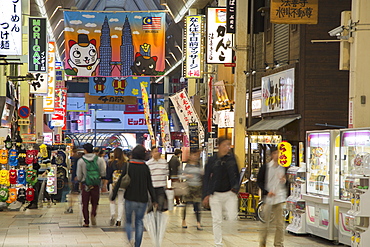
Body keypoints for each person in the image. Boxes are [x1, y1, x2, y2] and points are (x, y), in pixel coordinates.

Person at [202, 136, 240, 247]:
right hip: (215, 194)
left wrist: (236, 188)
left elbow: (237, 175)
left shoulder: (232, 159)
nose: (227, 147)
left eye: (229, 145)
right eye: (225, 145)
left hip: (229, 193)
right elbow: (206, 177)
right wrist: (206, 194)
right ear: (218, 146)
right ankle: (218, 243)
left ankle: (227, 238)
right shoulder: (212, 160)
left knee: (232, 217)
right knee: (216, 220)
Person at [123, 145, 157, 247]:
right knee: (139, 222)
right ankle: (137, 245)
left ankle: (130, 239)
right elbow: (149, 185)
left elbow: (121, 180)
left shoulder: (128, 166)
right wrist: (154, 199)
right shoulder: (145, 168)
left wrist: (113, 195)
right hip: (142, 199)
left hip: (129, 197)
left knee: (128, 221)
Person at [257, 146, 287, 247]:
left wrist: (284, 181)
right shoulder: (265, 168)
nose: (277, 156)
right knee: (265, 224)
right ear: (271, 155)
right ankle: (263, 242)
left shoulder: (282, 168)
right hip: (268, 199)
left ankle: (278, 244)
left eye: (278, 153)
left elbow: (286, 183)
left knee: (280, 224)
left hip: (279, 198)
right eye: (275, 153)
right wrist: (266, 191)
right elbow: (259, 181)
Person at [76, 143, 106, 227]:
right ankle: (93, 214)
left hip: (85, 184)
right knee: (95, 202)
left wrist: (80, 180)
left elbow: (79, 175)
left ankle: (86, 221)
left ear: (85, 150)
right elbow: (103, 172)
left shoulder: (81, 161)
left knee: (85, 203)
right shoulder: (99, 160)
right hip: (96, 183)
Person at [105, 147, 128, 226]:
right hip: (122, 184)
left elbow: (107, 175)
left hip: (113, 184)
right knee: (121, 202)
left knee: (112, 200)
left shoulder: (110, 163)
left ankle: (112, 215)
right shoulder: (125, 163)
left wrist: (106, 184)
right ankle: (119, 219)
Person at [181, 149, 203, 230]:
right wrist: (187, 175)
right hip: (189, 187)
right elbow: (182, 175)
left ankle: (198, 223)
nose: (196, 157)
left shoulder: (199, 165)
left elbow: (202, 173)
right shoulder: (187, 165)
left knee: (197, 205)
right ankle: (183, 220)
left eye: (197, 155)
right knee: (186, 205)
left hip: (197, 187)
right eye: (194, 155)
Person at [146, 146, 169, 211]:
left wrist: (166, 185)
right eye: (155, 151)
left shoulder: (164, 162)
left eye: (158, 151)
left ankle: (158, 219)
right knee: (150, 206)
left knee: (161, 205)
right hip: (152, 187)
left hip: (161, 187)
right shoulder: (148, 163)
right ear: (152, 153)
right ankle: (150, 219)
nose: (157, 153)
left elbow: (166, 173)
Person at [65, 148, 83, 214]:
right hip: (79, 179)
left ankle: (70, 208)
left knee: (73, 194)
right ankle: (71, 207)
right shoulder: (80, 159)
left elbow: (75, 170)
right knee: (75, 194)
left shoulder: (76, 160)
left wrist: (74, 179)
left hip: (76, 179)